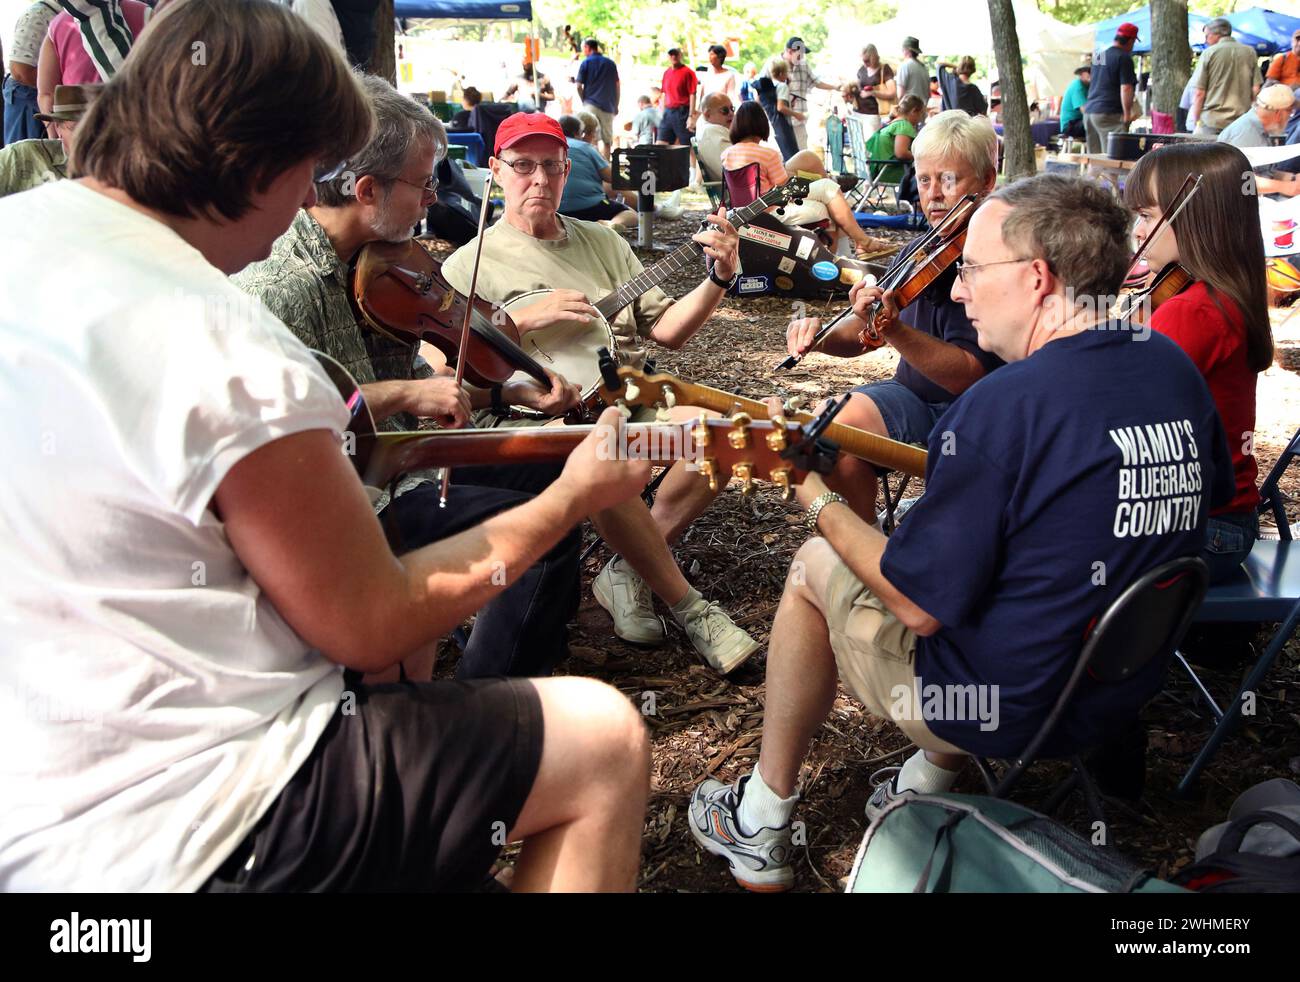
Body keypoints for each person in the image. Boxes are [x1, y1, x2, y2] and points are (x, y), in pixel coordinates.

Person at [0, 0, 652, 895]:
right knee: (601, 740)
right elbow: (369, 617)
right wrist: (573, 497)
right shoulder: (226, 346)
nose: (310, 198)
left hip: (32, 790)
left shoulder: (22, 235)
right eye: (309, 170)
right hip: (186, 826)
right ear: (258, 162)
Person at [689, 173, 1234, 892]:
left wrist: (812, 492)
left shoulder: (1004, 406)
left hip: (995, 708)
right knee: (975, 554)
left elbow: (918, 605)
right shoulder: (1170, 369)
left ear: (1037, 279)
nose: (960, 291)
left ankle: (761, 820)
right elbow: (1194, 508)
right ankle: (923, 784)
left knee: (817, 562)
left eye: (973, 271)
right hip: (1119, 683)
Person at [441, 112, 763, 674]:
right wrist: (520, 323)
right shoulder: (467, 266)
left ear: (567, 171)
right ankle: (690, 606)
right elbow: (447, 380)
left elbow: (668, 331)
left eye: (551, 166)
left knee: (719, 438)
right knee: (605, 449)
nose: (538, 179)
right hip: (540, 420)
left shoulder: (602, 242)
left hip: (627, 396)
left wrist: (718, 278)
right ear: (495, 172)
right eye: (522, 166)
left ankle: (627, 571)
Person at [784, 111, 1003, 523]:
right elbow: (864, 334)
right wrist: (823, 337)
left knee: (836, 427)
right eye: (924, 180)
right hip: (911, 398)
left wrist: (894, 328)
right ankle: (867, 554)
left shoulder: (998, 257)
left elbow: (968, 376)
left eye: (949, 179)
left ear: (988, 181)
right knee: (828, 433)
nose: (934, 194)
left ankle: (865, 560)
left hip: (970, 415)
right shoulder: (922, 249)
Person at [1126, 142, 1273, 583]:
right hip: (1225, 526)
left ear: (1196, 218)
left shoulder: (1192, 311)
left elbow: (1113, 407)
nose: (1137, 230)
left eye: (1148, 216)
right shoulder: (1220, 296)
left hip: (1200, 531)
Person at [721, 102, 889, 259]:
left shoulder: (727, 154)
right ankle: (842, 255)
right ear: (761, 124)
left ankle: (853, 248)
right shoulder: (768, 154)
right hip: (771, 213)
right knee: (828, 196)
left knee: (827, 193)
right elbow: (786, 188)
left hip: (744, 213)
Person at [36, 0, 150, 123]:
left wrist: (55, 135)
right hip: (135, 115)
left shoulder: (58, 24)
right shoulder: (144, 12)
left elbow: (47, 93)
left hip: (77, 121)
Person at [0, 81, 97, 197]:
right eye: (77, 128)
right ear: (58, 128)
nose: (89, 136)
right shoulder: (21, 155)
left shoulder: (115, 168)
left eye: (98, 128)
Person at [557, 113, 637, 227]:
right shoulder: (585, 147)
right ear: (578, 133)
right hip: (590, 207)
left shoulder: (550, 148)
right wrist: (623, 167)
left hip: (557, 210)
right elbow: (612, 178)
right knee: (630, 214)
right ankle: (611, 225)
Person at [1190, 18, 1261, 138]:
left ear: (1216, 35)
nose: (1206, 40)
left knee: (1210, 156)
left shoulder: (1209, 53)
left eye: (1207, 35)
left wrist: (1196, 120)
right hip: (1241, 122)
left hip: (1212, 121)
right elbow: (1256, 89)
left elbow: (1199, 93)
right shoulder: (1250, 52)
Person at [4, 1, 59, 146]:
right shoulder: (39, 15)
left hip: (42, 96)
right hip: (27, 97)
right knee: (27, 157)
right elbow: (20, 71)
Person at [1084, 21, 1139, 154]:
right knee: (1114, 158)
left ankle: (1091, 176)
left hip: (1090, 112)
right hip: (1108, 114)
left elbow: (1094, 80)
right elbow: (1126, 88)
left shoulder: (1099, 55)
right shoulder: (1124, 58)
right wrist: (1127, 114)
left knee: (1095, 159)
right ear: (1130, 40)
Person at [783, 36, 836, 150]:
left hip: (799, 118)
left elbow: (816, 82)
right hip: (781, 120)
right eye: (799, 54)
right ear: (789, 52)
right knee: (784, 154)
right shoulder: (775, 65)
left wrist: (835, 87)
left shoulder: (803, 65)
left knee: (801, 151)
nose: (801, 57)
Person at [864, 93, 926, 185]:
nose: (920, 118)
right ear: (914, 111)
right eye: (920, 114)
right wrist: (921, 157)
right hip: (891, 171)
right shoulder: (904, 126)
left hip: (878, 169)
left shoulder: (892, 123)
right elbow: (901, 153)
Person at [575, 37, 619, 159]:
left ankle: (592, 166)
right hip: (608, 105)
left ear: (587, 48)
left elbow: (578, 85)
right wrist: (616, 104)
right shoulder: (610, 63)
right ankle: (605, 166)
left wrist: (583, 100)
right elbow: (617, 86)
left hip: (590, 104)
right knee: (607, 140)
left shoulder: (586, 63)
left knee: (590, 136)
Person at [1216, 84, 1295, 148]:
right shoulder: (1248, 136)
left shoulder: (1254, 127)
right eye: (1290, 112)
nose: (1290, 116)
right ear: (1279, 113)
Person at [659, 46, 698, 147]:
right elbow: (664, 93)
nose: (673, 56)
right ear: (668, 56)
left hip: (682, 112)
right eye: (671, 54)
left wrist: (690, 116)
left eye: (676, 54)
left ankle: (691, 163)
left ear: (680, 55)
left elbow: (692, 94)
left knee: (687, 145)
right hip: (668, 112)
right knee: (661, 143)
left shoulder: (688, 73)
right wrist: (663, 112)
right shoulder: (666, 73)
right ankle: (664, 163)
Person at [854, 43, 896, 130]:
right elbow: (857, 88)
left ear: (874, 58)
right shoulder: (862, 69)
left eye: (867, 61)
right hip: (858, 112)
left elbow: (892, 93)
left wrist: (873, 93)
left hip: (874, 114)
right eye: (863, 60)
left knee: (870, 142)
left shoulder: (884, 69)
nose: (865, 64)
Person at [694, 91, 733, 179]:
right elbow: (735, 170)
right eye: (725, 110)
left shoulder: (707, 128)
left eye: (732, 109)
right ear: (707, 114)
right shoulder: (712, 132)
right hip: (739, 188)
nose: (731, 113)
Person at [1059, 64, 1090, 142]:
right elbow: (1085, 111)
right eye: (1089, 72)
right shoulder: (1077, 86)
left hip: (1078, 121)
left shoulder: (1088, 86)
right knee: (1096, 122)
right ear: (1082, 74)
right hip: (1070, 125)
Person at [896, 36, 929, 108]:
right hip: (922, 110)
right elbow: (928, 93)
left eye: (903, 49)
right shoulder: (924, 68)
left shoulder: (904, 66)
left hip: (908, 110)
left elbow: (900, 94)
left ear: (907, 50)